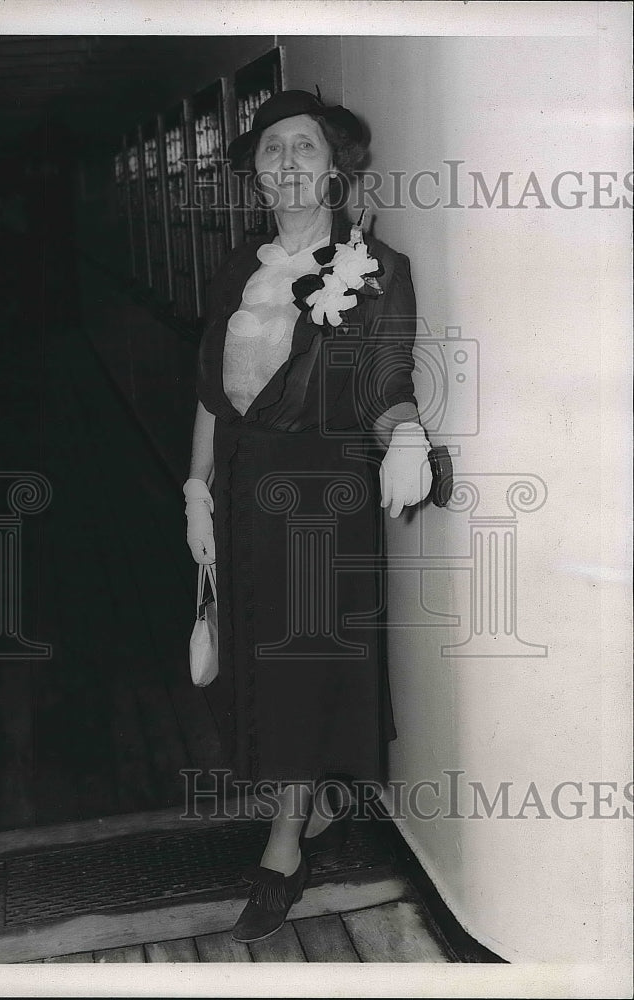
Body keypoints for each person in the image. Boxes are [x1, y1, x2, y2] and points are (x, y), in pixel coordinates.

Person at [184, 89, 432, 943]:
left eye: (305, 149)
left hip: (322, 498)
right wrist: (194, 492)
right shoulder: (235, 268)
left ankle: (284, 847)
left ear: (335, 167)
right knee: (252, 666)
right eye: (272, 150)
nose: (286, 164)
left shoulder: (378, 269)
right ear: (255, 170)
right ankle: (313, 800)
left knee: (296, 669)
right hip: (242, 491)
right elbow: (212, 394)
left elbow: (387, 380)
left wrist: (403, 438)